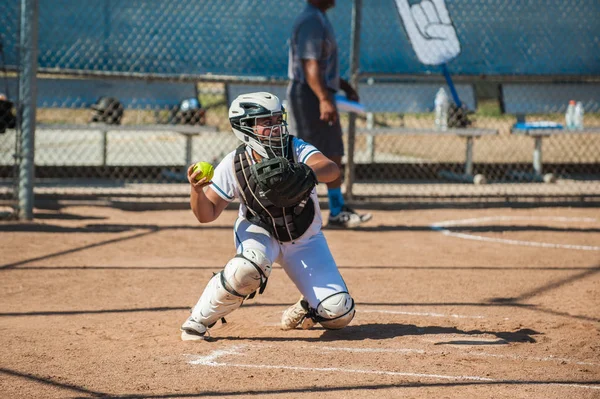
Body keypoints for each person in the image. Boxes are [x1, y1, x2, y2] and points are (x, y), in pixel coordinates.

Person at [180, 92, 355, 341]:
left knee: (339, 313)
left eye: (277, 119)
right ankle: (197, 320)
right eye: (266, 121)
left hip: (304, 238)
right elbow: (206, 214)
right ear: (245, 126)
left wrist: (305, 172)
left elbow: (331, 169)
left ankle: (308, 306)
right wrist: (196, 190)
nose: (275, 127)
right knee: (247, 268)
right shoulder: (234, 163)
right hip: (260, 233)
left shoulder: (296, 148)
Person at [287, 0, 372, 229]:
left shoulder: (319, 18)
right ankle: (293, 211)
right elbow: (309, 65)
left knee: (333, 152)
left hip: (320, 92)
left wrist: (342, 85)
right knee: (302, 154)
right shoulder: (311, 21)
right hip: (309, 95)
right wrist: (324, 99)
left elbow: (320, 66)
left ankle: (336, 209)